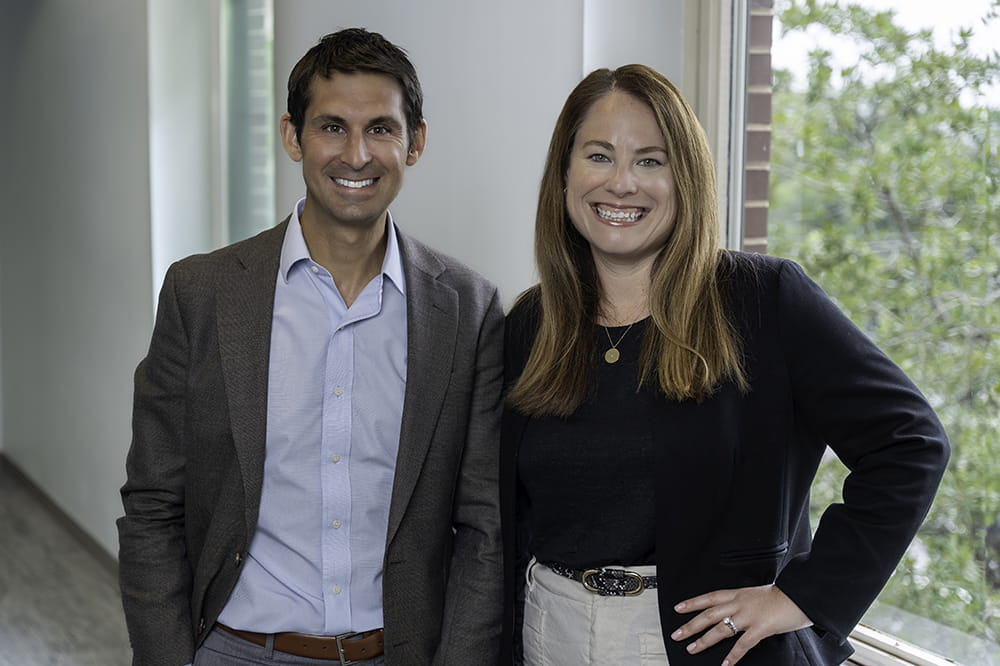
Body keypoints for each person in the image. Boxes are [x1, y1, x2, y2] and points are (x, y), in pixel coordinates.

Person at [500, 64, 949, 665]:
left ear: (685, 178)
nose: (622, 182)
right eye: (599, 156)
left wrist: (803, 596)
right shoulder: (533, 322)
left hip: (701, 649)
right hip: (546, 635)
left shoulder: (764, 301)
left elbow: (911, 442)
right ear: (564, 175)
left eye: (651, 160)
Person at [118, 28, 504, 666]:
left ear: (417, 142)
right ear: (292, 136)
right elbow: (155, 503)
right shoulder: (203, 293)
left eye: (381, 128)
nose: (357, 155)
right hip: (235, 650)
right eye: (332, 127)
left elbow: (483, 527)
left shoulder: (468, 309)